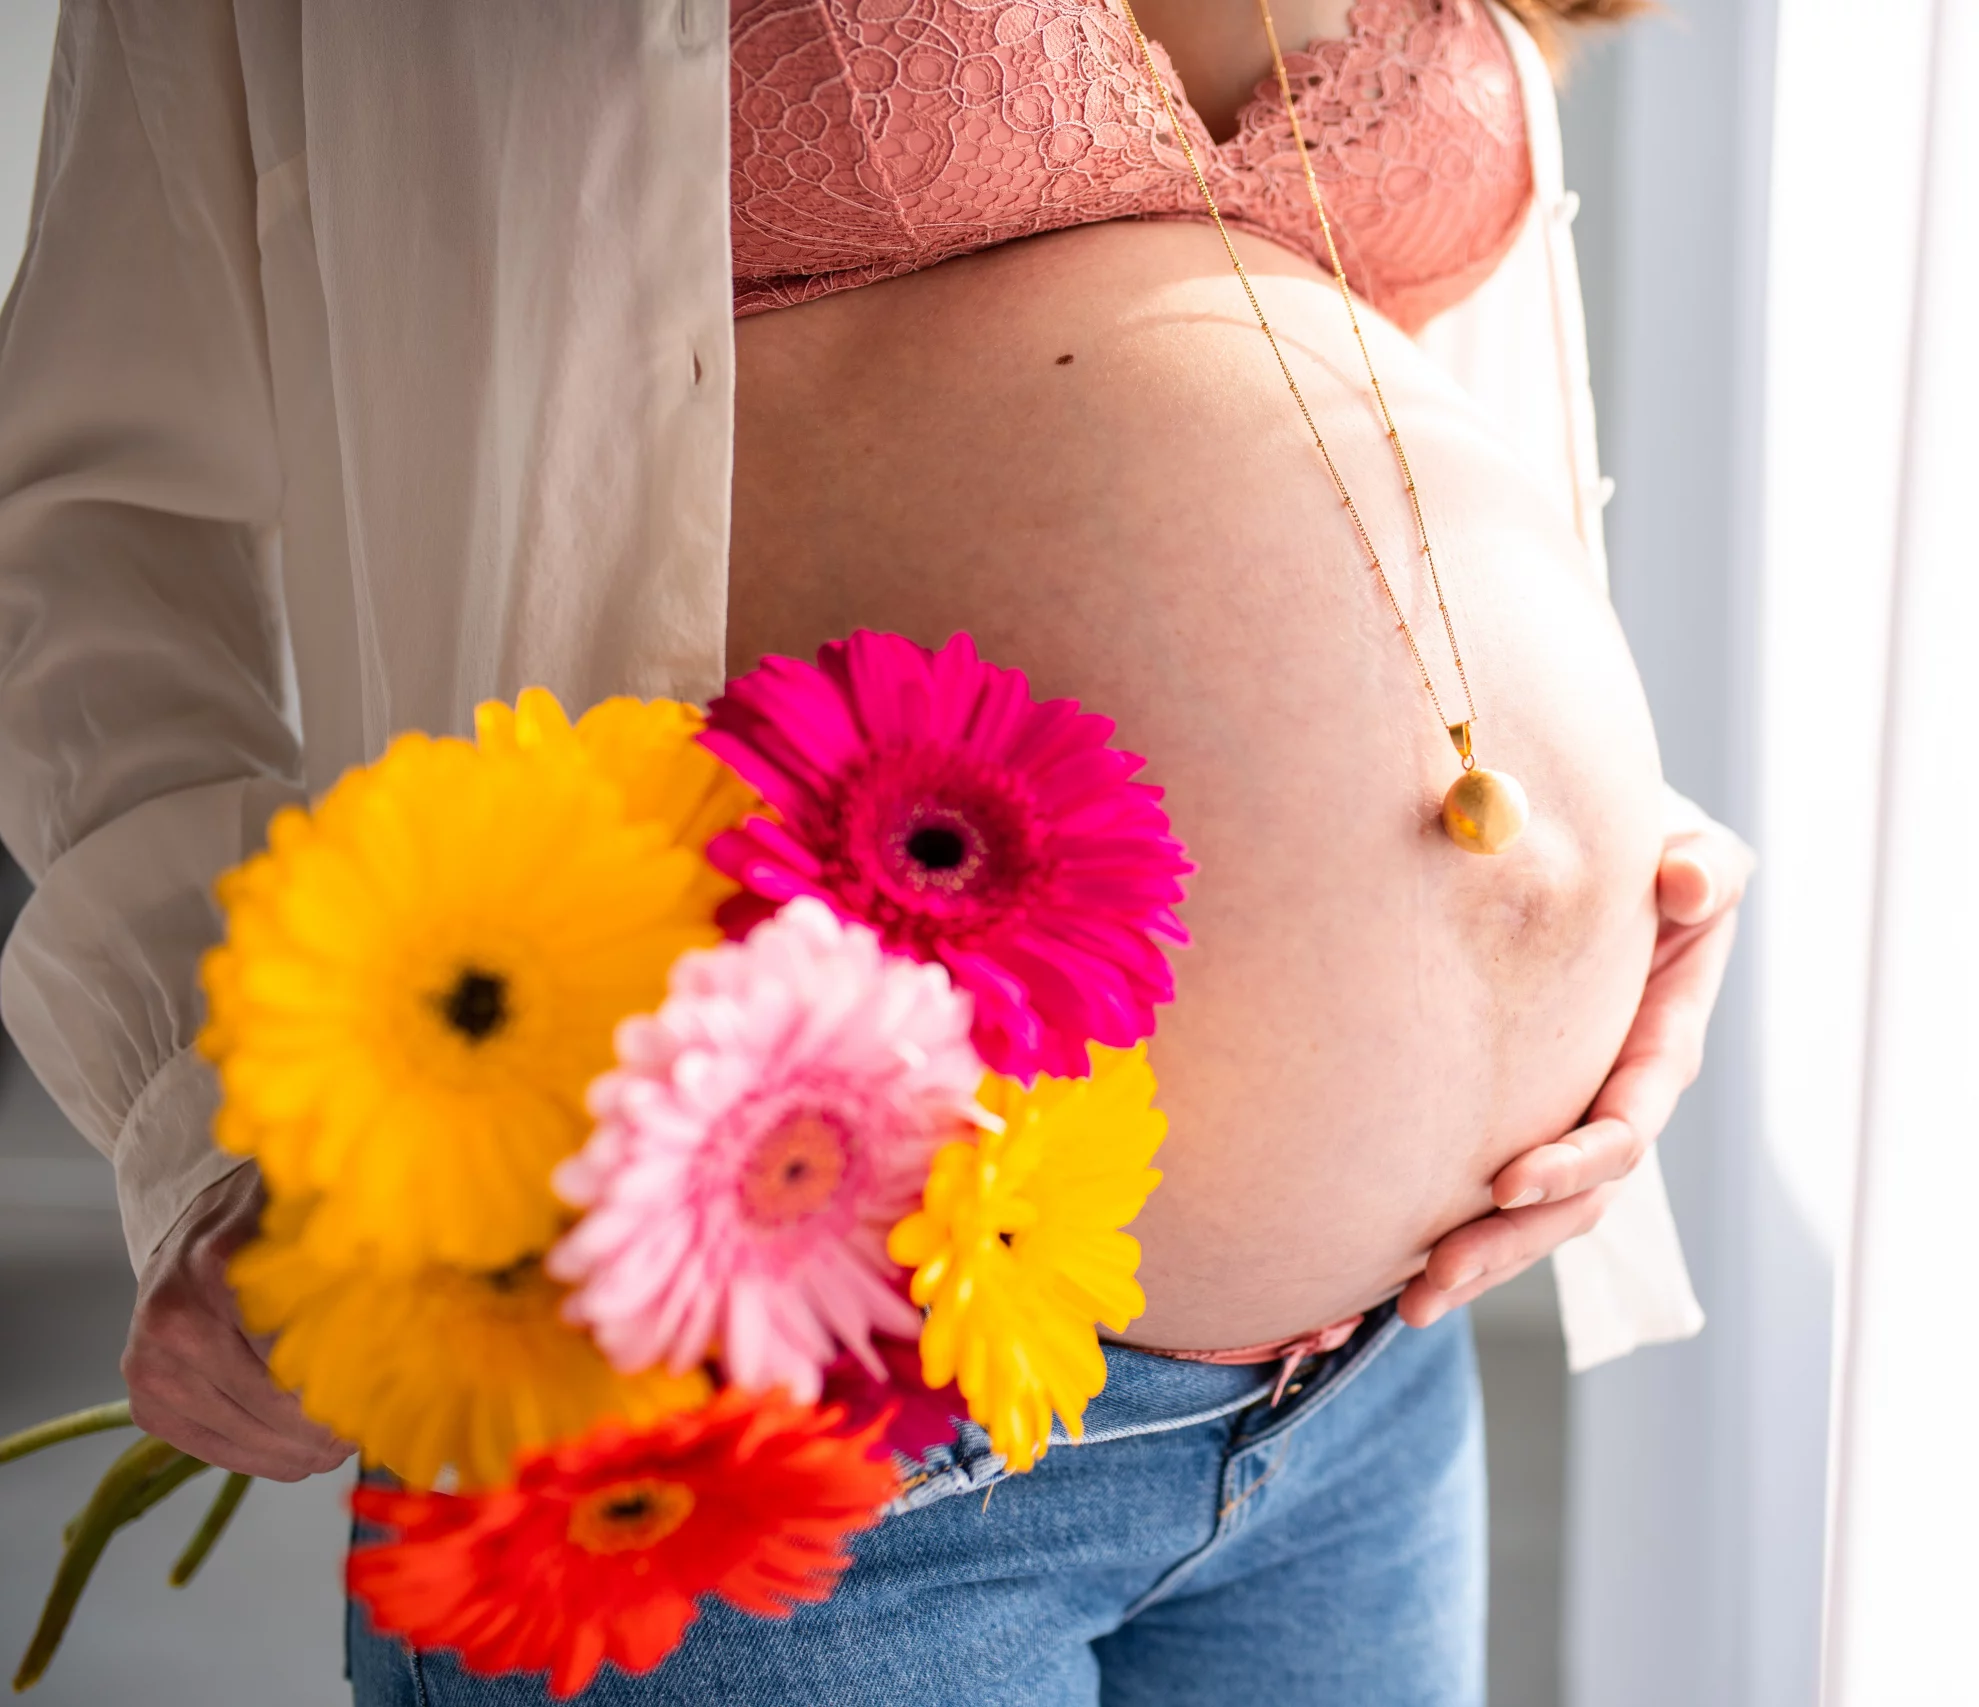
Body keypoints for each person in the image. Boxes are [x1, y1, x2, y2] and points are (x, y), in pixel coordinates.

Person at [0, 1, 1751, 1700]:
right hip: (773, 1390)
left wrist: (1619, 872)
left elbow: (1364, 396)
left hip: (1369, 1383)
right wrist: (206, 1114)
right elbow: (92, 528)